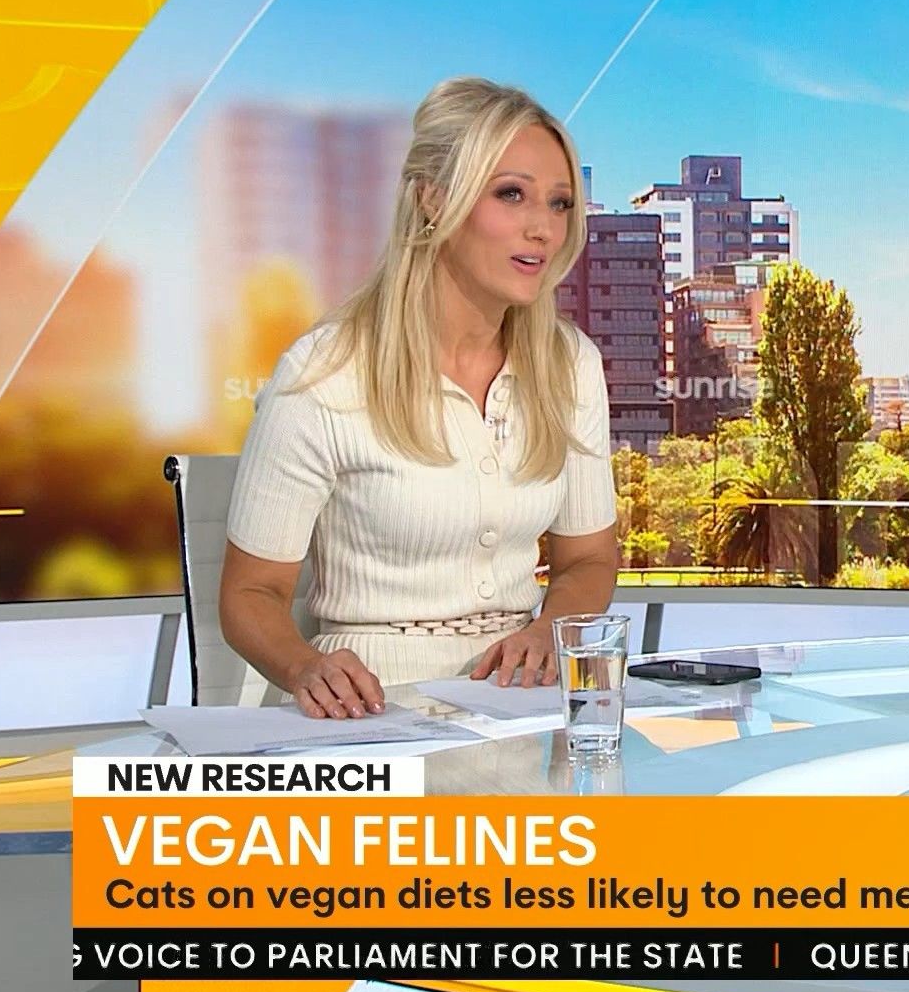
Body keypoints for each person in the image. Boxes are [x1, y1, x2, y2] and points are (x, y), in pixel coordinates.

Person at [220, 77, 621, 718]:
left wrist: (550, 631)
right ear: (433, 198)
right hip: (368, 706)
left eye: (560, 204)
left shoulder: (569, 365)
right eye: (511, 194)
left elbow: (590, 557)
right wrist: (304, 667)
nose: (543, 228)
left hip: (522, 701)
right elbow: (250, 594)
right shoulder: (324, 373)